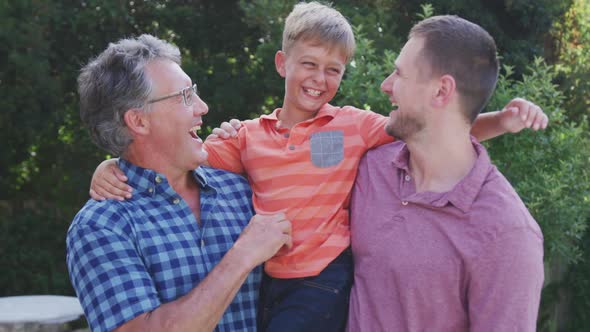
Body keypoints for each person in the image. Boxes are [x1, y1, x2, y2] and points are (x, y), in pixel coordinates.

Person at [88, 3, 547, 331]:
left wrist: (500, 121)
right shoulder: (248, 137)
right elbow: (178, 156)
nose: (321, 79)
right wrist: (113, 163)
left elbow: (436, 128)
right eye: (309, 64)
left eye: (334, 70)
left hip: (323, 280)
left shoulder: (353, 128)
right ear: (282, 63)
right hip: (270, 281)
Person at [66, 34, 292, 332]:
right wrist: (243, 255)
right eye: (185, 96)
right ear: (138, 121)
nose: (203, 107)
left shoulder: (242, 189)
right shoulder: (102, 226)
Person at [347, 15, 545, 331]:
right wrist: (238, 138)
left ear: (441, 91)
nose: (385, 86)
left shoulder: (507, 234)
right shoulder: (370, 165)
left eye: (399, 73)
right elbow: (293, 151)